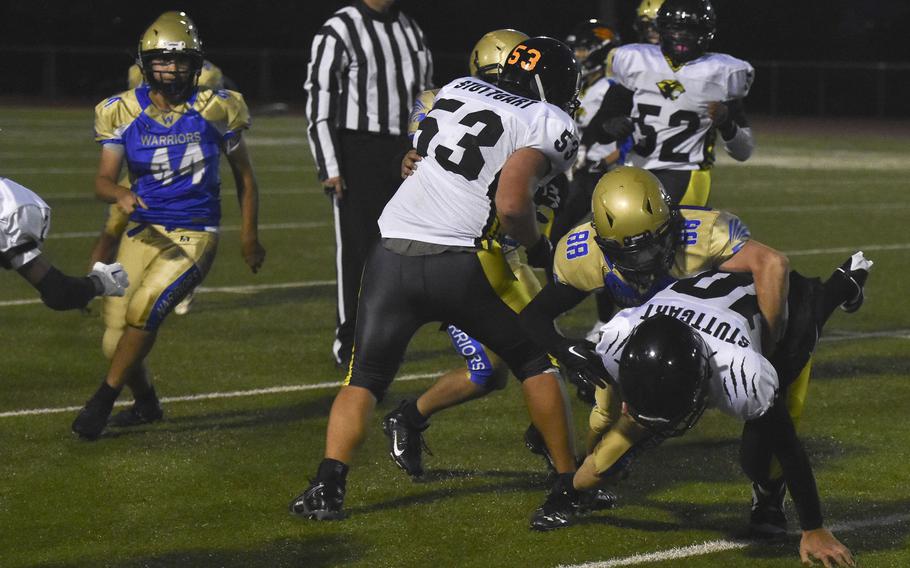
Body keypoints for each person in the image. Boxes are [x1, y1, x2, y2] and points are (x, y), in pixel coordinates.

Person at [289, 37, 587, 526]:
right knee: (535, 359)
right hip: (461, 257)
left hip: (391, 247)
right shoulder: (547, 120)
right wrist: (537, 245)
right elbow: (512, 203)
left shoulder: (458, 89)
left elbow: (420, 154)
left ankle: (327, 485)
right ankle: (567, 482)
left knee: (363, 378)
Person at [536, 262, 868, 567]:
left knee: (761, 457)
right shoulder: (619, 337)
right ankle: (572, 488)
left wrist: (814, 527)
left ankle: (841, 285)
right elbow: (609, 398)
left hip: (780, 312)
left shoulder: (741, 373)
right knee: (610, 452)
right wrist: (571, 487)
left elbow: (789, 446)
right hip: (696, 315)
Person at [70, 11, 266, 440]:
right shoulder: (119, 111)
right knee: (112, 341)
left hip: (194, 233)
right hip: (142, 229)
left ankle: (101, 402)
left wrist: (248, 236)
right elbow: (103, 180)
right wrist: (119, 194)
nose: (172, 70)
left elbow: (245, 179)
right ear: (145, 62)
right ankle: (146, 405)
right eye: (163, 61)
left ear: (195, 64)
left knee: (145, 311)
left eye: (180, 62)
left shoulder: (217, 107)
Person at [519, 166, 789, 407]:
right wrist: (564, 349)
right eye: (632, 253)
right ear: (602, 243)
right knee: (605, 392)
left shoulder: (702, 234)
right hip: (656, 329)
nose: (647, 259)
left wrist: (767, 345)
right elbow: (534, 316)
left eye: (654, 244)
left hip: (710, 326)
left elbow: (772, 264)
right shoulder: (584, 255)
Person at [304, 0, 434, 368]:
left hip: (405, 150)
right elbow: (320, 100)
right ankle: (349, 344)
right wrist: (330, 165)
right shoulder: (340, 28)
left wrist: (423, 147)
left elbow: (426, 96)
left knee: (401, 254)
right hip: (358, 150)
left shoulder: (410, 27)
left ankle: (384, 337)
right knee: (358, 254)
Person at [88, 52, 227, 316]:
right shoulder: (138, 70)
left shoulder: (208, 74)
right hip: (144, 166)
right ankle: (90, 286)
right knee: (112, 229)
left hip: (181, 165)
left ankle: (180, 282)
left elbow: (210, 115)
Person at [586, 0, 754, 206]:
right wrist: (609, 125)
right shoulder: (636, 61)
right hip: (633, 173)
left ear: (707, 32)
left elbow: (743, 151)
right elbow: (600, 127)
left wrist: (727, 123)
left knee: (670, 236)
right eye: (675, 28)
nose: (682, 36)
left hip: (686, 175)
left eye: (691, 29)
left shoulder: (723, 74)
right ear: (662, 28)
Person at [1, 177, 129, 309]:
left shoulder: (6, 220)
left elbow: (58, 293)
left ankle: (106, 281)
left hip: (11, 212)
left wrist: (98, 284)